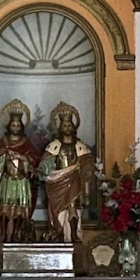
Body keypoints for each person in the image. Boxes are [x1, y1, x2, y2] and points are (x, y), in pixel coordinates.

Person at [0, 102, 42, 242]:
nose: (15, 127)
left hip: (21, 180)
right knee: (4, 208)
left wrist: (22, 157)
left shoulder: (26, 142)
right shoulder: (3, 142)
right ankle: (4, 233)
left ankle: (16, 233)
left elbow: (35, 159)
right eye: (13, 125)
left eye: (17, 125)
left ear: (21, 127)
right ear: (8, 126)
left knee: (19, 209)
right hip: (7, 180)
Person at [38, 104, 93, 243]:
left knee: (72, 206)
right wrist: (42, 170)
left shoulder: (79, 146)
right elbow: (46, 162)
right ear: (60, 128)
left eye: (69, 125)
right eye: (64, 126)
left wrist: (87, 170)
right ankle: (60, 232)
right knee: (59, 210)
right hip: (58, 182)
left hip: (74, 179)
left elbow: (87, 164)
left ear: (74, 127)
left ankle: (73, 233)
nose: (67, 128)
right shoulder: (54, 145)